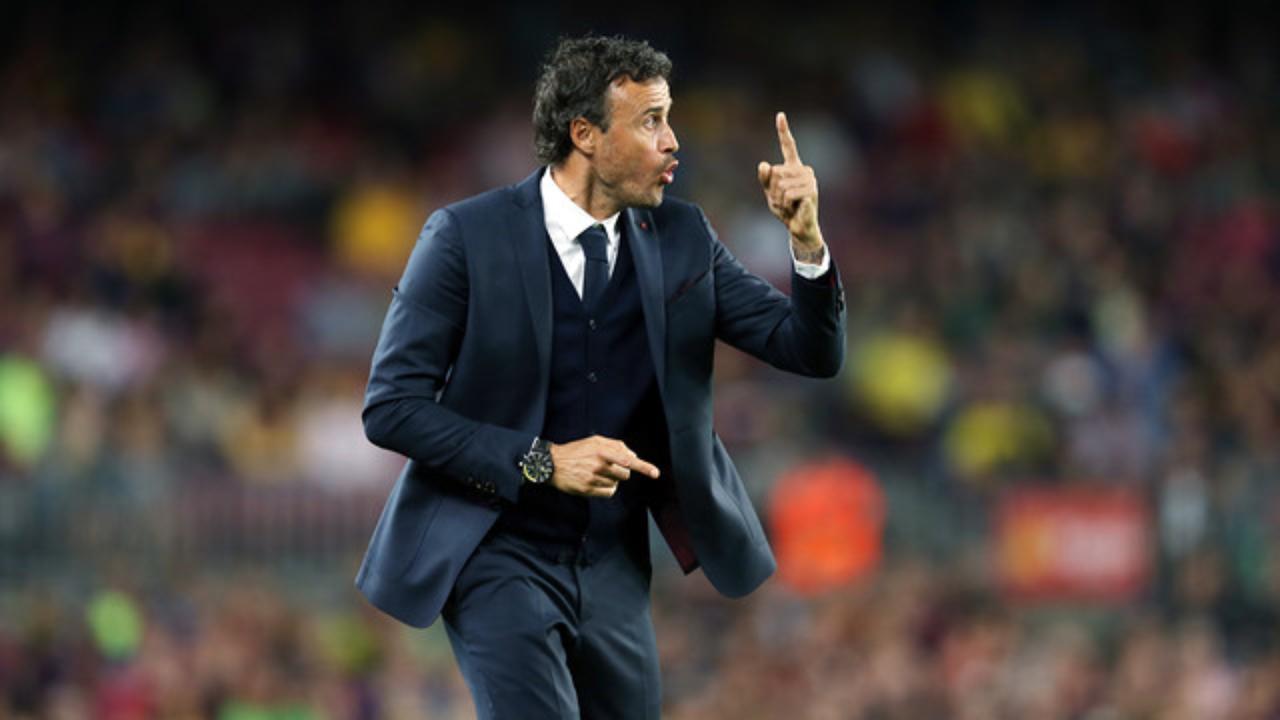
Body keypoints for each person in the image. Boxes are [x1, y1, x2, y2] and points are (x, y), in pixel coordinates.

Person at [357, 35, 845, 719]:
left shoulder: (683, 238)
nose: (673, 141)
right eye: (651, 121)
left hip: (614, 562)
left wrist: (806, 242)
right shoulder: (465, 237)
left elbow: (809, 351)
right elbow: (392, 407)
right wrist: (542, 461)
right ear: (584, 134)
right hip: (496, 548)